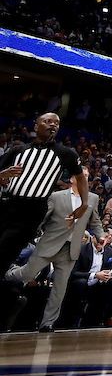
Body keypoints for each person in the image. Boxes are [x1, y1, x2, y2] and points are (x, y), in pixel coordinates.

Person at [5, 166, 104, 331]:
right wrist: (28, 234)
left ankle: (47, 323)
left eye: (86, 176)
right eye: (81, 175)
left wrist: (100, 236)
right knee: (28, 274)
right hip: (50, 244)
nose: (84, 178)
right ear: (72, 179)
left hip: (71, 249)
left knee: (59, 289)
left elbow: (95, 221)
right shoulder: (56, 197)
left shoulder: (92, 199)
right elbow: (42, 218)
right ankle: (8, 273)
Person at [0, 113, 89, 275]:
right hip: (7, 203)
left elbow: (80, 178)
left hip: (32, 210)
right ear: (36, 127)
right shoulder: (18, 150)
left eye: (57, 123)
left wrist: (84, 204)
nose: (53, 125)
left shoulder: (66, 154)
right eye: (48, 121)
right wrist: (1, 175)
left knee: (5, 250)